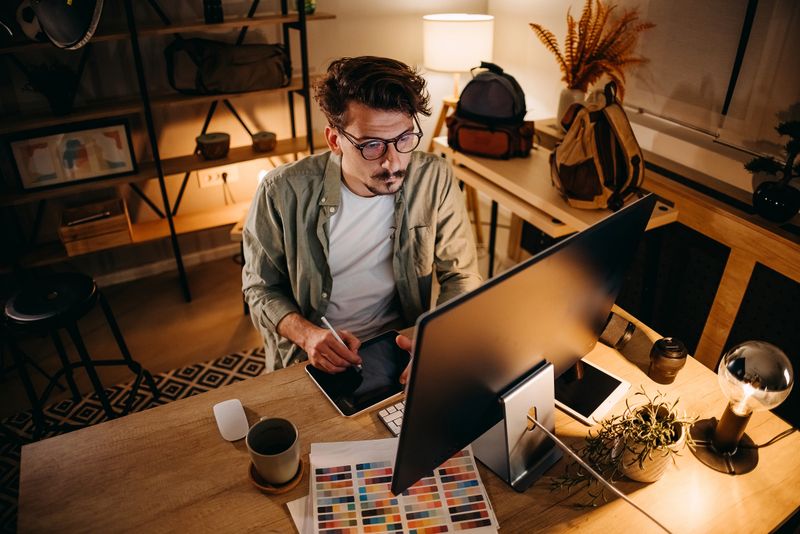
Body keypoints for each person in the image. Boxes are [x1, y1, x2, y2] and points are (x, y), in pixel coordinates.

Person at [242, 55, 481, 376]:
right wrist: (308, 335)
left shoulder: (433, 177)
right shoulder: (281, 190)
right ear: (334, 140)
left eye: (404, 139)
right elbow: (259, 288)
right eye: (372, 145)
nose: (393, 162)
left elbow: (461, 276)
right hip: (311, 355)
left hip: (401, 343)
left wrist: (435, 339)